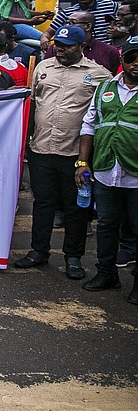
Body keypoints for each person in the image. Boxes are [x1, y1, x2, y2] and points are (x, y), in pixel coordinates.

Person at [14, 25, 110, 280]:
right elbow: (32, 104)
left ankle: (73, 257)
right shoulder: (43, 68)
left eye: (68, 46)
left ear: (81, 46)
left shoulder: (99, 75)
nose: (61, 50)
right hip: (42, 149)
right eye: (59, 45)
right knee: (42, 204)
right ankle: (38, 251)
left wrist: (88, 158)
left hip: (74, 154)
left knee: (75, 208)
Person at [77, 36, 138, 303]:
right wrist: (82, 162)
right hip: (105, 171)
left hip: (135, 174)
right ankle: (106, 273)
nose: (137, 64)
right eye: (132, 58)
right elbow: (89, 126)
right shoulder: (105, 88)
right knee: (106, 226)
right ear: (123, 59)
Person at [43, 0, 119, 46]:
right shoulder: (67, 13)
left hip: (105, 50)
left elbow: (126, 17)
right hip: (78, 51)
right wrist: (44, 39)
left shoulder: (110, 5)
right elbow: (48, 33)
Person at [43, 11, 121, 73]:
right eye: (66, 23)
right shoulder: (55, 48)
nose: (68, 26)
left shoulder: (109, 51)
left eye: (72, 23)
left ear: (88, 26)